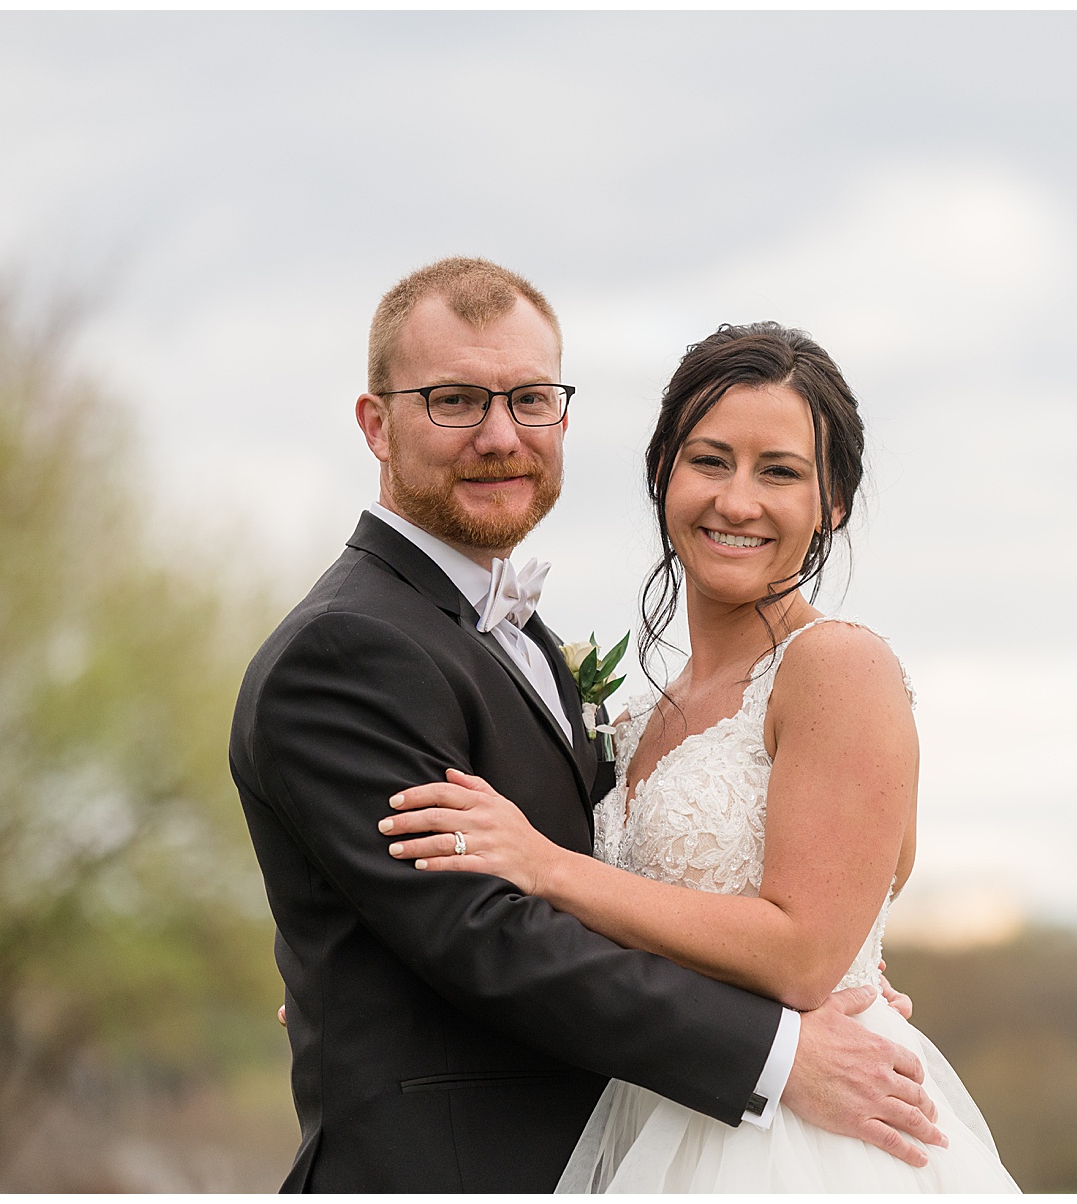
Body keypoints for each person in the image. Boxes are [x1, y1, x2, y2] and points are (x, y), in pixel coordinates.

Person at [228, 260, 945, 1192]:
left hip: (771, 1143)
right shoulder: (350, 649)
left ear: (833, 503)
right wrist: (354, 974)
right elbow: (481, 930)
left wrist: (837, 972)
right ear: (377, 423)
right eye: (454, 401)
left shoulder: (824, 666)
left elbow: (826, 918)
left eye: (528, 399)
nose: (498, 435)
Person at [378, 321, 1021, 1191]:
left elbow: (803, 955)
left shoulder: (837, 667)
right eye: (710, 461)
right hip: (657, 1106)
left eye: (780, 472)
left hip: (806, 1139)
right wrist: (375, 994)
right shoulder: (637, 718)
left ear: (832, 503)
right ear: (662, 476)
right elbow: (564, 950)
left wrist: (546, 865)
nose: (738, 500)